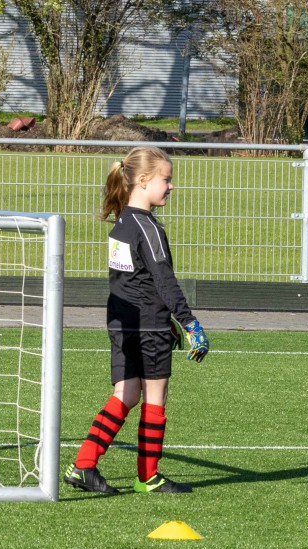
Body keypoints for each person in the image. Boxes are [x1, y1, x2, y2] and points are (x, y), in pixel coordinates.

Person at [63, 146, 209, 495]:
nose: (171, 186)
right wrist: (189, 323)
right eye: (166, 179)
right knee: (155, 396)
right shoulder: (147, 226)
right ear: (143, 180)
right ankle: (148, 476)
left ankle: (83, 465)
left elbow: (131, 280)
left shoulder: (122, 223)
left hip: (123, 321)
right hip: (148, 325)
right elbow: (163, 279)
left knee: (126, 393)